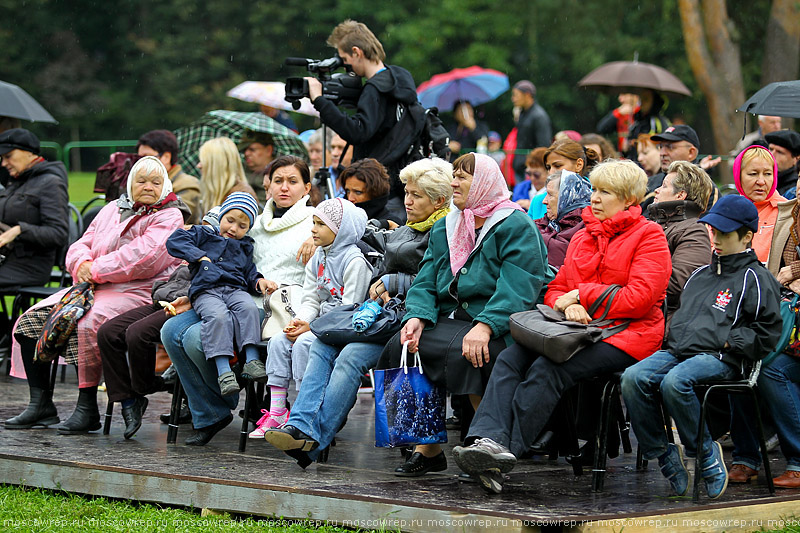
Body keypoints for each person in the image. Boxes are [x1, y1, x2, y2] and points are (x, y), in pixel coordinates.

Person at [452, 159, 670, 494]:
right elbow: (555, 289)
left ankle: (502, 452)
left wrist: (580, 295)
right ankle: (488, 445)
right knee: (511, 358)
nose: (594, 198)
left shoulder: (649, 235)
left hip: (628, 335)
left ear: (628, 199)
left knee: (548, 368)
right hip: (572, 330)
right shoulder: (584, 235)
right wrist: (567, 302)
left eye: (605, 192)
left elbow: (639, 299)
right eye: (594, 189)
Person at [261, 158, 453, 463]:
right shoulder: (410, 227)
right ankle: (300, 426)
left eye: (416, 195)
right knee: (324, 342)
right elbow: (361, 237)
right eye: (407, 192)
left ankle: (313, 441)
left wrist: (392, 280)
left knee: (348, 355)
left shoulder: (446, 231)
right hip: (385, 316)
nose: (407, 200)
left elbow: (443, 281)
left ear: (440, 200)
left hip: (417, 320)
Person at [381, 153, 550, 477]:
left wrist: (486, 325)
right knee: (402, 345)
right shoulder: (450, 222)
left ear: (484, 182)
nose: (454, 182)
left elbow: (518, 287)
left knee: (472, 353)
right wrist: (416, 316)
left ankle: (487, 446)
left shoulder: (515, 224)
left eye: (462, 177)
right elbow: (427, 278)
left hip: (498, 322)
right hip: (450, 317)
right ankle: (426, 447)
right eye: (454, 175)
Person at [5, 156, 187, 433]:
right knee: (29, 321)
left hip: (138, 289)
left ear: (165, 185)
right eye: (141, 181)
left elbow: (144, 258)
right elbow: (81, 243)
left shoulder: (170, 215)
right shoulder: (114, 208)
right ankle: (40, 404)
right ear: (130, 183)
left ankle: (87, 406)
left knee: (87, 323)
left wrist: (96, 268)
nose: (148, 186)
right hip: (92, 285)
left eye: (155, 181)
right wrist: (82, 265)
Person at [621, 195, 781, 500]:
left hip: (725, 358)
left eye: (725, 233)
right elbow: (682, 318)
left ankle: (704, 451)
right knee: (632, 377)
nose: (716, 239)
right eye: (713, 231)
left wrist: (728, 341)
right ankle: (664, 454)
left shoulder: (757, 278)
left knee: (675, 382)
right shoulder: (700, 274)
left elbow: (767, 333)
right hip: (681, 352)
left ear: (747, 236)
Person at [160, 155, 317, 446]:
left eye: (293, 182)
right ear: (268, 186)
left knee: (195, 337)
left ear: (306, 188)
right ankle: (214, 409)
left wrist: (318, 240)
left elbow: (346, 230)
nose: (284, 187)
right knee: (169, 331)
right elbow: (218, 245)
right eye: (278, 180)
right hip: (229, 292)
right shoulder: (253, 220)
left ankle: (224, 394)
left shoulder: (315, 222)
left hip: (271, 306)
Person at [97, 208, 221, 440]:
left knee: (137, 333)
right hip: (163, 298)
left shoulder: (219, 252)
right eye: (200, 225)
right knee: (108, 332)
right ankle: (129, 400)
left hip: (186, 305)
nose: (199, 230)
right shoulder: (190, 247)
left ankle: (148, 386)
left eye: (207, 227)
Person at [261, 198, 372, 429]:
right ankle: (278, 411)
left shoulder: (354, 262)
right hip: (319, 324)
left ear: (341, 229)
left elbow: (349, 310)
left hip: (342, 329)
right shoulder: (318, 258)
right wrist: (300, 321)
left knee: (303, 344)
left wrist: (310, 328)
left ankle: (306, 410)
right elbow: (311, 298)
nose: (313, 229)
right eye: (313, 222)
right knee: (279, 341)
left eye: (321, 224)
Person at [166, 192, 270, 396]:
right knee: (218, 317)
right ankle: (224, 372)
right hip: (206, 291)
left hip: (234, 290)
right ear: (221, 216)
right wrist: (200, 257)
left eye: (242, 226)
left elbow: (249, 271)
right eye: (230, 220)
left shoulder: (245, 246)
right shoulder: (204, 234)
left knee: (249, 308)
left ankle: (251, 359)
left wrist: (258, 281)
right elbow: (175, 240)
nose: (233, 229)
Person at [309, 19, 418, 196]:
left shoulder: (374, 89)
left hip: (375, 182)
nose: (346, 66)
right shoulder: (398, 79)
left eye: (345, 59)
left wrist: (319, 100)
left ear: (356, 52)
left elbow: (357, 132)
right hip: (400, 175)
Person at [0, 128, 68, 291]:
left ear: (29, 153)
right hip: (6, 259)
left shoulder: (50, 182)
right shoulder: (14, 181)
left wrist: (19, 230)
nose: (3, 163)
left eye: (8, 156)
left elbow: (58, 234)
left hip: (30, 267)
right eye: (2, 158)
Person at [648, 161, 713, 325]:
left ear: (680, 195)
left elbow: (678, 284)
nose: (656, 190)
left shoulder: (694, 231)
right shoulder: (654, 225)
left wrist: (634, 280)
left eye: (663, 186)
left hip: (665, 322)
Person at [137, 129, 202, 224]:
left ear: (166, 157)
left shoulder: (187, 184)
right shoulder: (138, 182)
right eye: (138, 158)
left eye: (148, 158)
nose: (142, 163)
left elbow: (175, 220)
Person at [734, 145, 783, 262]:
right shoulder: (726, 211)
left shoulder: (788, 211)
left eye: (767, 174)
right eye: (753, 174)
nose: (761, 182)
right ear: (738, 176)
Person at [536, 170, 592, 269]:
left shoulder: (587, 226)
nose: (544, 201)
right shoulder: (544, 223)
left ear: (567, 196)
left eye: (550, 195)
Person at [199, 137, 258, 215]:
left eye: (204, 161)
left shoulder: (241, 198)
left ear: (217, 166)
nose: (199, 165)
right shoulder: (217, 193)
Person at [340, 158, 405, 226]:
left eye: (358, 192)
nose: (350, 198)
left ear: (375, 193)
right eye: (348, 191)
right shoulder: (341, 219)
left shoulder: (392, 224)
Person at [511, 80, 552, 184]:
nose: (513, 99)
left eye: (516, 95)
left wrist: (532, 165)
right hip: (521, 168)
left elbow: (543, 146)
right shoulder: (523, 114)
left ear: (527, 95)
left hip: (531, 171)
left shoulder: (539, 116)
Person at [238, 131, 275, 204]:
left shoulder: (279, 174)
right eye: (244, 150)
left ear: (268, 150)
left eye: (252, 149)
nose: (246, 153)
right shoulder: (241, 169)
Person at [765, 130, 800, 197]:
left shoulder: (794, 191)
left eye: (780, 152)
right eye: (771, 149)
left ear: (796, 159)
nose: (772, 155)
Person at [512, 147, 547, 212]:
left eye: (536, 175)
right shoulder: (520, 188)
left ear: (548, 172)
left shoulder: (552, 193)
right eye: (529, 173)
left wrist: (532, 207)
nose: (532, 178)